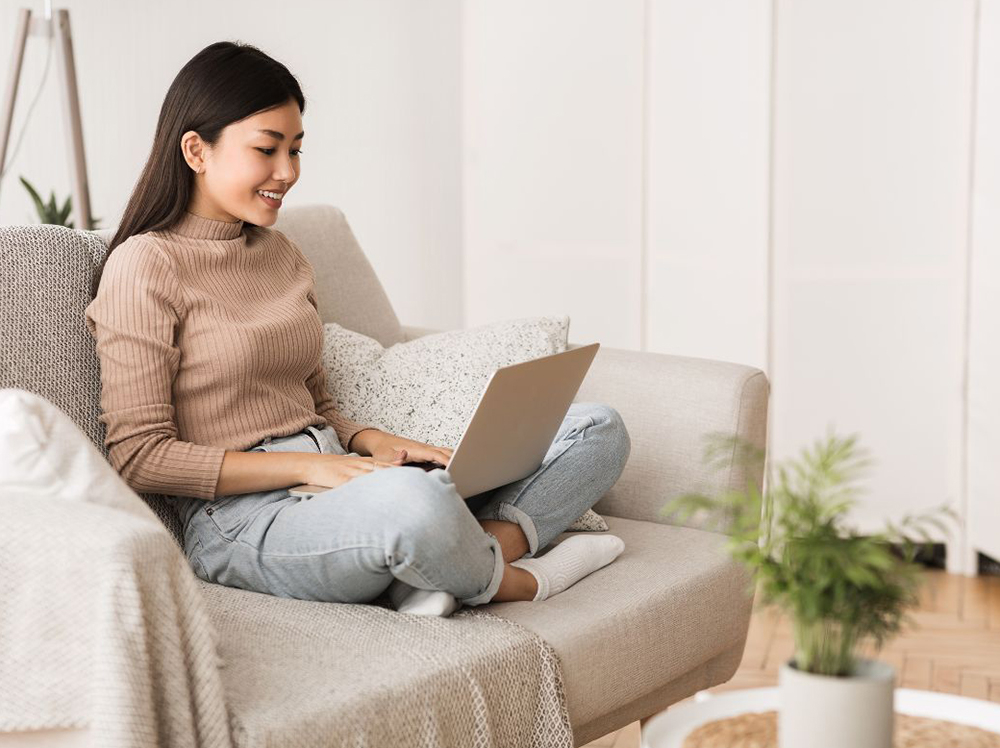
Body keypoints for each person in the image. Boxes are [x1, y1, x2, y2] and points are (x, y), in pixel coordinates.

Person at [84, 41, 631, 617]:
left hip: (348, 478)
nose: (288, 172)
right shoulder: (144, 265)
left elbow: (316, 404)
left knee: (597, 427)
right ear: (196, 150)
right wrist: (313, 466)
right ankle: (520, 579)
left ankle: (470, 550)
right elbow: (140, 456)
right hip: (246, 521)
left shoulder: (282, 255)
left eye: (296, 150)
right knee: (414, 505)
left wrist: (375, 443)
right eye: (267, 150)